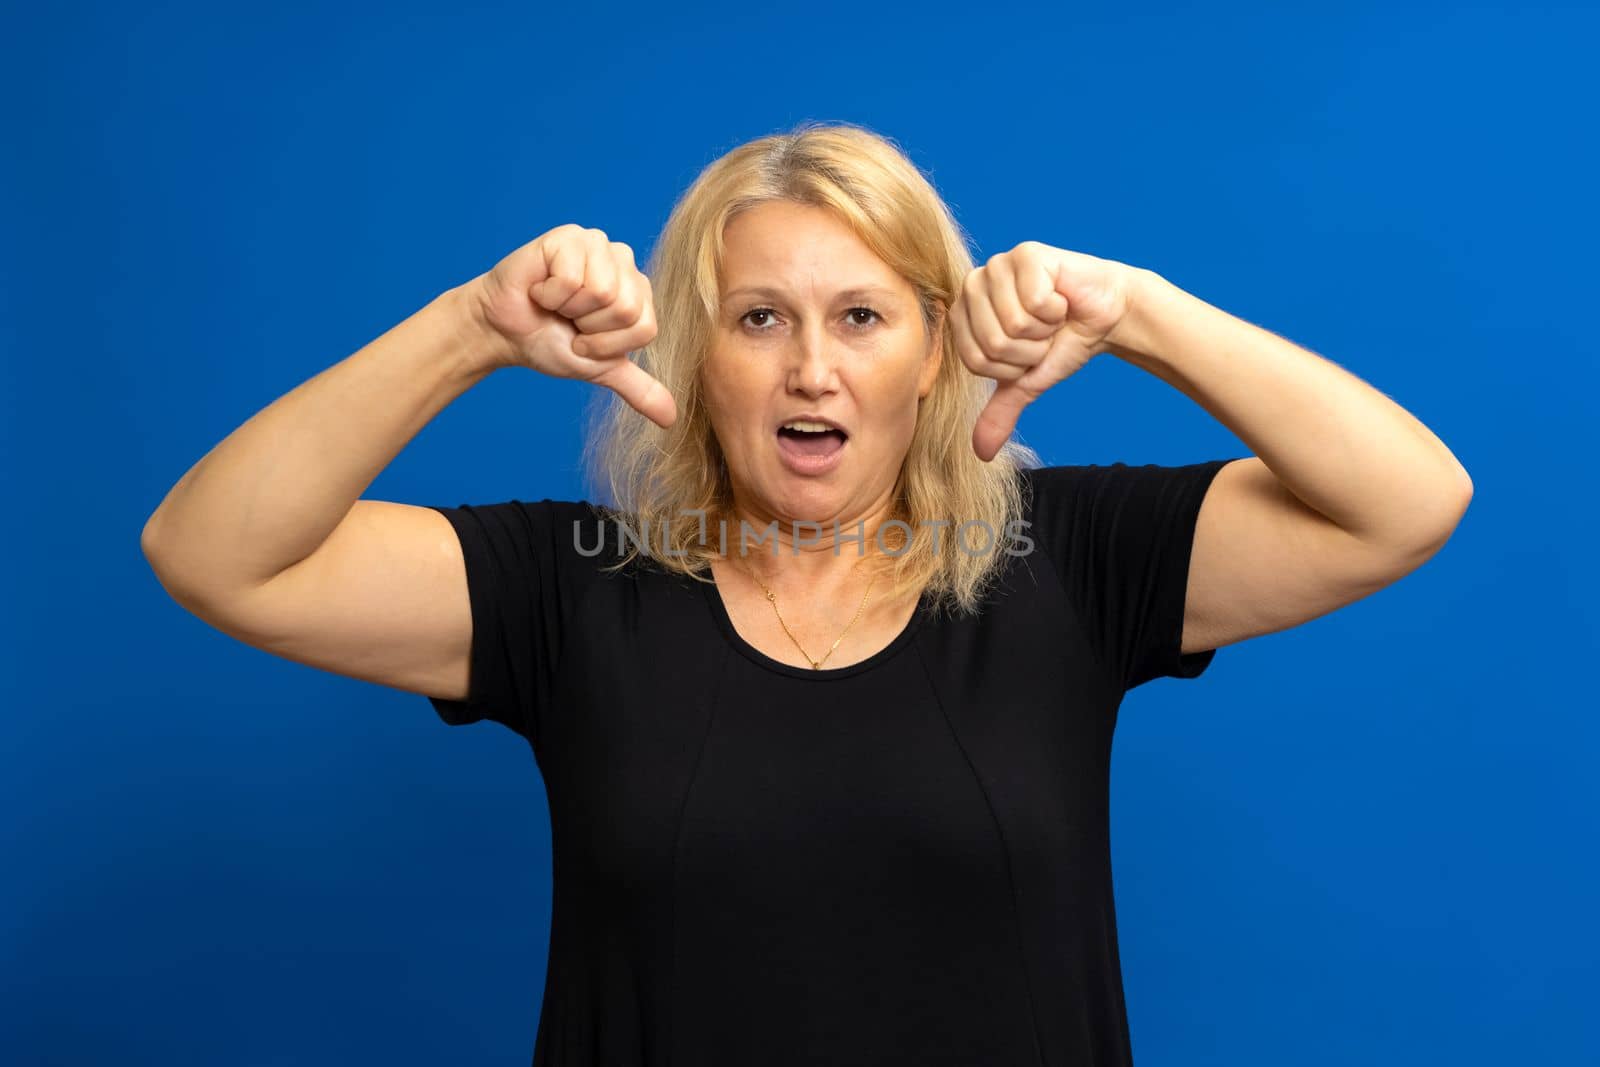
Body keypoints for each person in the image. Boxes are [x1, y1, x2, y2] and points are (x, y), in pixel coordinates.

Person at [140, 121, 1473, 1066]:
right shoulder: (571, 590)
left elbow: (1408, 500)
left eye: (861, 317)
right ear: (692, 354)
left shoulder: (1071, 562)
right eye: (759, 317)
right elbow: (212, 555)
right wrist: (471, 329)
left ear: (934, 357)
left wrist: (1138, 313)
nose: (810, 372)